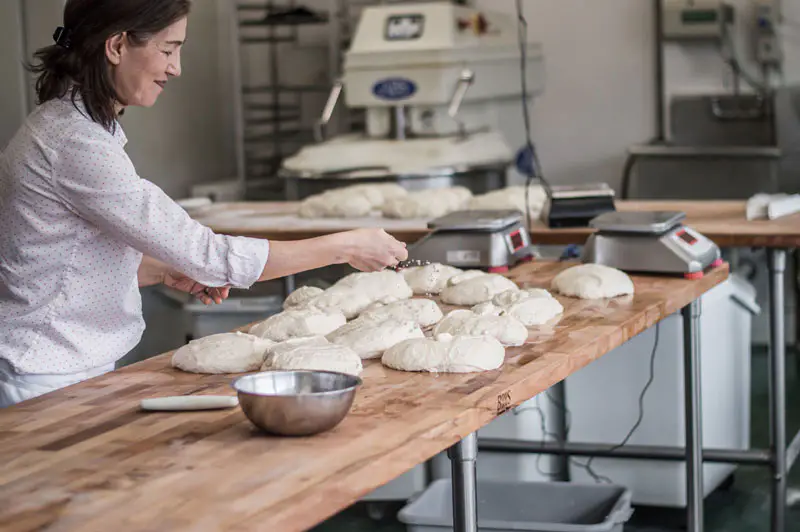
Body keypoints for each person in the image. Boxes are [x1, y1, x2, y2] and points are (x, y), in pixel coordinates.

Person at [0, 0, 408, 407]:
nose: (176, 67)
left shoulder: (68, 128)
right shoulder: (76, 143)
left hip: (57, 368)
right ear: (117, 46)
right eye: (168, 48)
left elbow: (56, 260)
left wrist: (161, 270)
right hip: (45, 378)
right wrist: (346, 246)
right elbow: (210, 256)